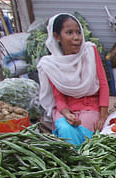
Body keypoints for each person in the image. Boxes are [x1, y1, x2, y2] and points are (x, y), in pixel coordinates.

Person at [36, 13, 109, 146]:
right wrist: (66, 113)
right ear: (57, 37)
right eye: (69, 33)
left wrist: (103, 116)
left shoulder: (90, 52)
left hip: (90, 106)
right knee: (65, 130)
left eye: (78, 32)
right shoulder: (51, 64)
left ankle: (85, 161)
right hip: (66, 108)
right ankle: (76, 162)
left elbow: (103, 85)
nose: (76, 38)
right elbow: (58, 96)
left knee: (86, 133)